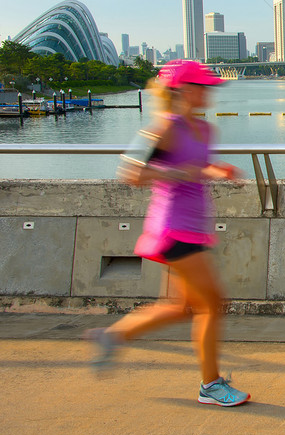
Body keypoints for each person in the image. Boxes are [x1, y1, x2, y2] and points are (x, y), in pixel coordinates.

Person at [86, 60, 249, 407]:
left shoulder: (204, 131)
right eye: (203, 87)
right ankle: (211, 385)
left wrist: (216, 169)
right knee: (212, 306)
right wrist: (181, 173)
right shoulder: (164, 129)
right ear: (184, 90)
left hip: (195, 228)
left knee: (179, 308)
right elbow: (131, 174)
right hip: (173, 229)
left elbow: (197, 165)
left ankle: (113, 336)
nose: (209, 93)